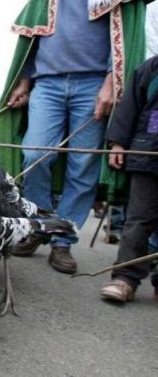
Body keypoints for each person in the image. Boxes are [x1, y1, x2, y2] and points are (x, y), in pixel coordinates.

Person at [0, 0, 156, 274]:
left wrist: (113, 81)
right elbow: (31, 42)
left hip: (92, 84)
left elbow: (126, 34)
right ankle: (40, 225)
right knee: (35, 153)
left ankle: (63, 240)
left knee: (82, 164)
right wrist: (23, 81)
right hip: (48, 85)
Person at [100, 55, 158, 302]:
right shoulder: (151, 68)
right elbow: (130, 106)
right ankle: (125, 278)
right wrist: (118, 143)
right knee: (138, 219)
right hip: (148, 155)